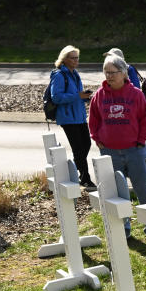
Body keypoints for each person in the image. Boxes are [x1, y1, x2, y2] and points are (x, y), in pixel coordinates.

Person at [88, 53, 146, 241]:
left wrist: (141, 140)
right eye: (106, 72)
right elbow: (93, 120)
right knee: (118, 193)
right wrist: (97, 138)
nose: (109, 76)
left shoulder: (136, 94)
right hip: (110, 152)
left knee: (144, 190)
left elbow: (145, 120)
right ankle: (123, 228)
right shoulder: (99, 96)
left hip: (135, 150)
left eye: (113, 72)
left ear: (124, 73)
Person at [50, 46, 95, 189]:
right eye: (73, 58)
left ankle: (74, 169)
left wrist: (86, 97)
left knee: (86, 144)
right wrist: (78, 96)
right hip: (68, 118)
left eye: (77, 58)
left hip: (79, 116)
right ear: (64, 59)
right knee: (78, 148)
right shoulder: (59, 75)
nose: (76, 60)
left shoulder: (74, 74)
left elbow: (77, 95)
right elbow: (56, 98)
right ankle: (85, 178)